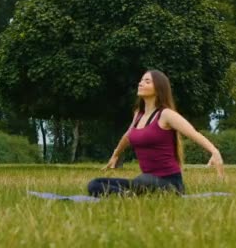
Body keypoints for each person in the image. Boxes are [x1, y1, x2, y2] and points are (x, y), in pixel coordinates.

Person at [87, 69, 224, 197]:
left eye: (147, 81)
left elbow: (193, 133)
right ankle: (129, 196)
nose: (141, 83)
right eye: (141, 80)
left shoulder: (166, 114)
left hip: (171, 184)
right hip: (147, 181)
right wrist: (115, 155)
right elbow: (128, 136)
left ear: (158, 89)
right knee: (95, 184)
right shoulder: (138, 115)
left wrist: (214, 151)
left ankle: (131, 194)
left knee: (143, 180)